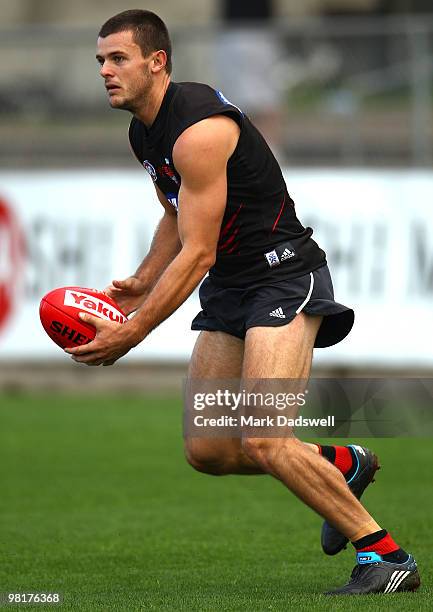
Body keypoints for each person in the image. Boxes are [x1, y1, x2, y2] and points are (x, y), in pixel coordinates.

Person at [66, 10, 420, 595]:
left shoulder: (198, 128)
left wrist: (133, 330)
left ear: (157, 62)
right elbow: (177, 214)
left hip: (283, 278)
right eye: (101, 60)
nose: (105, 70)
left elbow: (199, 252)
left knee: (264, 437)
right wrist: (142, 278)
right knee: (209, 448)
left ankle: (386, 558)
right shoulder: (143, 132)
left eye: (118, 58)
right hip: (234, 288)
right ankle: (341, 464)